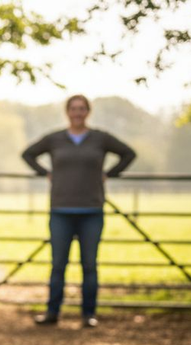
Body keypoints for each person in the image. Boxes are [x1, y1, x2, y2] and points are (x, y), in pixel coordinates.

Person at [21, 94, 136, 328]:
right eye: (73, 108)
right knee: (58, 264)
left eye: (82, 108)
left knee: (90, 265)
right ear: (67, 111)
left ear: (88, 112)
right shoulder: (55, 139)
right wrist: (45, 173)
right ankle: (52, 312)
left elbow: (128, 154)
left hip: (91, 210)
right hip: (61, 210)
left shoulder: (100, 138)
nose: (77, 112)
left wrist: (109, 174)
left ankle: (88, 314)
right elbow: (28, 154)